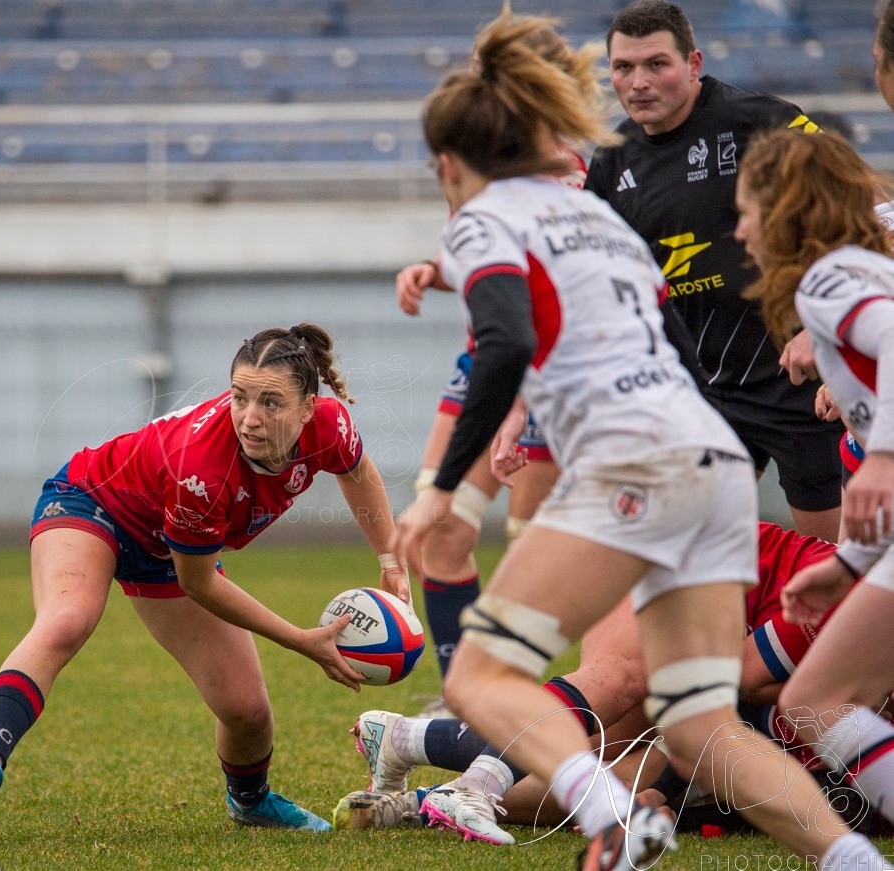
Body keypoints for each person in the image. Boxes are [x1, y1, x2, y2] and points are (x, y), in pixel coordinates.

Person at [389, 12, 888, 871]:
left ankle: (616, 819)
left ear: (447, 165)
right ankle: (854, 861)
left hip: (636, 464)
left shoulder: (485, 216)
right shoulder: (594, 217)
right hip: (714, 459)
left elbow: (504, 341)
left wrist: (447, 493)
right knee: (695, 718)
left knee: (479, 674)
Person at [0, 322, 409, 832]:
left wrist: (391, 561)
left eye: (270, 403)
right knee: (67, 619)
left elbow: (357, 472)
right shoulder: (203, 468)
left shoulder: (330, 425)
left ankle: (250, 804)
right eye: (239, 397)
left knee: (247, 711)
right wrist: (300, 640)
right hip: (90, 499)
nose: (249, 419)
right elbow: (200, 582)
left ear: (307, 409)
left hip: (165, 546)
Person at [337, 522, 848, 840]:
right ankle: (472, 782)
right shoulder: (844, 616)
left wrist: (674, 799)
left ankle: (418, 784)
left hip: (715, 670)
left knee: (622, 776)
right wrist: (673, 789)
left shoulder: (862, 769)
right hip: (679, 571)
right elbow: (710, 695)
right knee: (619, 688)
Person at [583, 0, 844, 542]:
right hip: (701, 394)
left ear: (694, 62)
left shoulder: (764, 122)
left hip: (799, 384)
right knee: (693, 557)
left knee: (836, 563)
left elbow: (872, 212)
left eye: (657, 64)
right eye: (622, 68)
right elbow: (595, 282)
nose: (638, 82)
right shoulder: (611, 161)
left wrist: (832, 333)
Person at [394, 12, 594, 705]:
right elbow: (488, 266)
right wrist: (434, 269)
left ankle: (541, 701)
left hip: (544, 372)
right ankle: (465, 701)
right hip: (486, 357)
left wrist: (517, 407)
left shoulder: (568, 178)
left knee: (536, 557)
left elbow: (537, 313)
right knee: (439, 531)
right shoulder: (480, 157)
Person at [734, 125, 894, 836]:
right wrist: (848, 565)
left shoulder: (829, 281)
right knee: (812, 701)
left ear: (783, 212)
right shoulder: (863, 266)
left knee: (813, 702)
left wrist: (882, 458)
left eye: (744, 211)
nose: (736, 230)